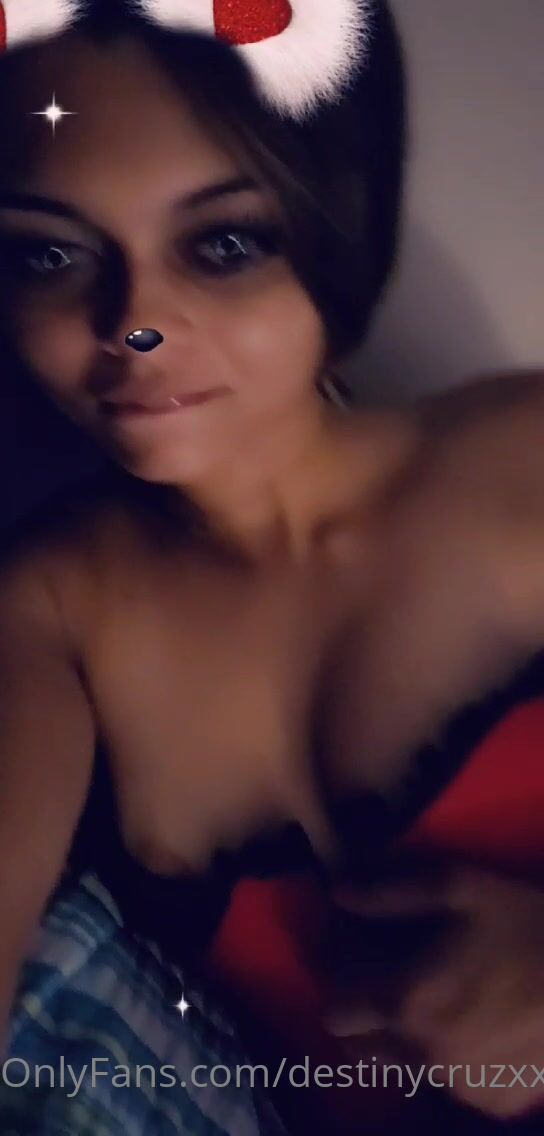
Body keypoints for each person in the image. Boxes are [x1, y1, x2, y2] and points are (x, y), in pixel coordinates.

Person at [0, 3, 543, 1133]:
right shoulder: (50, 607)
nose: (135, 329)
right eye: (53, 254)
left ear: (337, 227)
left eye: (223, 245)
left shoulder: (523, 461)